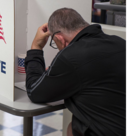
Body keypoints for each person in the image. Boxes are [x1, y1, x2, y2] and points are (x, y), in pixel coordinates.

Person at [26, 8, 128, 136]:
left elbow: (34, 91)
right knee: (73, 126)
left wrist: (36, 47)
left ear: (59, 38)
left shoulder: (71, 56)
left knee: (74, 128)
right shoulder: (121, 43)